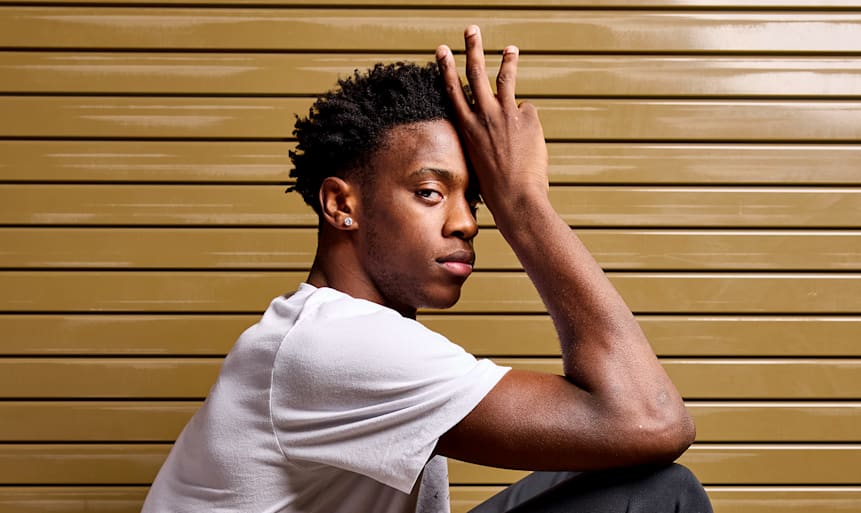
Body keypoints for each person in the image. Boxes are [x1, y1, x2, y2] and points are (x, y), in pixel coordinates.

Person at [141, 26, 713, 513]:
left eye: (478, 199)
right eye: (430, 192)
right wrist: (523, 201)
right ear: (342, 205)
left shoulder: (342, 334)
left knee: (639, 484)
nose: (466, 222)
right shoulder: (335, 342)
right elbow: (652, 419)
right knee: (659, 493)